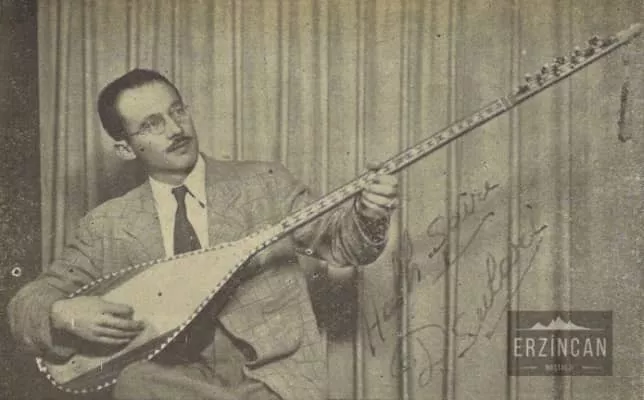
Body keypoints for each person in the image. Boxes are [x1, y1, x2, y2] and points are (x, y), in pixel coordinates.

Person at [8, 69, 398, 400]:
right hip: (174, 385)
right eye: (152, 124)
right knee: (135, 382)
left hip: (269, 382)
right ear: (125, 149)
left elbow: (342, 243)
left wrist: (369, 213)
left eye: (177, 111)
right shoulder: (107, 224)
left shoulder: (264, 183)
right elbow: (27, 303)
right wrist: (62, 313)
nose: (175, 129)